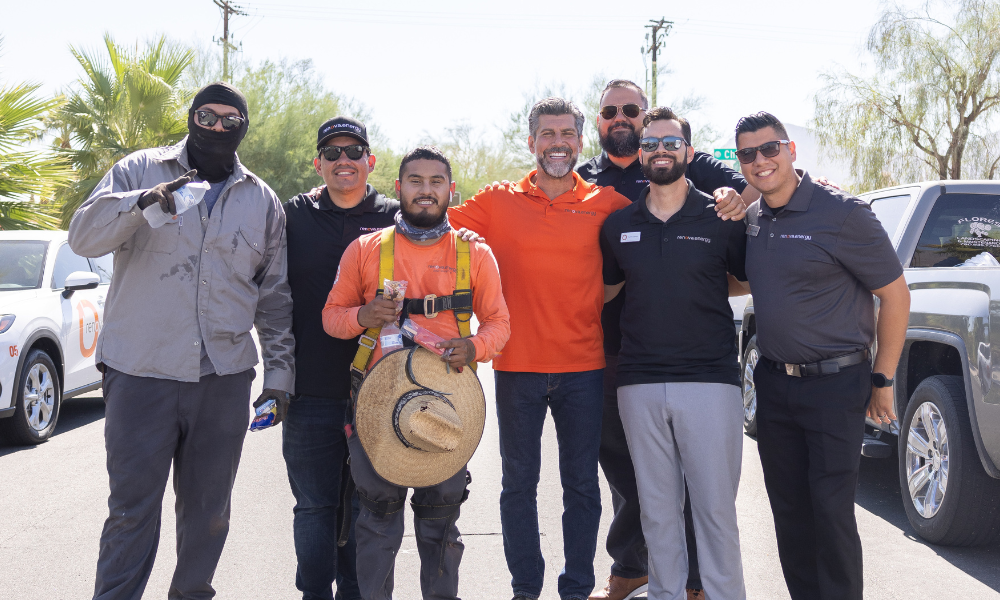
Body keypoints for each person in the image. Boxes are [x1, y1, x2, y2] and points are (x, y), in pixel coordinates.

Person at [68, 82, 295, 600]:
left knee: (210, 515)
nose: (216, 127)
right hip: (140, 373)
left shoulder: (262, 201)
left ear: (242, 127)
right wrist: (142, 203)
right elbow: (84, 237)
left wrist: (279, 379)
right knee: (131, 511)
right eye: (206, 116)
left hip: (223, 379)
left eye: (229, 120)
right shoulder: (137, 171)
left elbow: (275, 300)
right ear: (191, 117)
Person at [448, 98, 632, 600]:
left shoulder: (608, 204)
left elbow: (662, 224)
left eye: (567, 134)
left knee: (581, 487)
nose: (557, 143)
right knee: (518, 486)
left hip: (585, 368)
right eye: (547, 134)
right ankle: (525, 588)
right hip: (517, 367)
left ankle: (576, 587)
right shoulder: (495, 203)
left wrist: (729, 198)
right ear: (531, 143)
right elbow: (429, 222)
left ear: (579, 141)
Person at [577, 79, 751, 600]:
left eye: (670, 143)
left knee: (714, 508)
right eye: (651, 143)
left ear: (689, 152)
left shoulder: (720, 217)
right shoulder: (617, 222)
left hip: (710, 379)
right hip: (636, 380)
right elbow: (599, 292)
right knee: (655, 509)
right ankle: (665, 593)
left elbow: (745, 280)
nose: (658, 150)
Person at [732, 112, 910, 600]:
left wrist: (883, 379)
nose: (760, 161)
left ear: (790, 150)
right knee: (789, 512)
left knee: (830, 513)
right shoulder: (753, 220)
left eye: (769, 149)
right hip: (773, 383)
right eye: (747, 154)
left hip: (836, 387)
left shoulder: (844, 213)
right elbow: (740, 280)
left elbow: (895, 296)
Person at [322, 146, 510, 600]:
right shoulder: (365, 250)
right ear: (398, 188)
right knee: (378, 517)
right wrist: (364, 315)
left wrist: (475, 346)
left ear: (451, 191)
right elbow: (331, 318)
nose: (426, 191)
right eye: (416, 181)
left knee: (440, 517)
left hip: (448, 404)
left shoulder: (475, 253)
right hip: (375, 404)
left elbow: (500, 324)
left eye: (435, 182)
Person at [282, 116, 398, 600]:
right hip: (309, 388)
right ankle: (314, 594)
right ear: (318, 163)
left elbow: (445, 243)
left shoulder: (396, 216)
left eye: (354, 152)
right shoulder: (293, 215)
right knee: (314, 506)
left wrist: (468, 238)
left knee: (368, 507)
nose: (343, 161)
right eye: (332, 153)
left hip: (380, 390)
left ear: (370, 161)